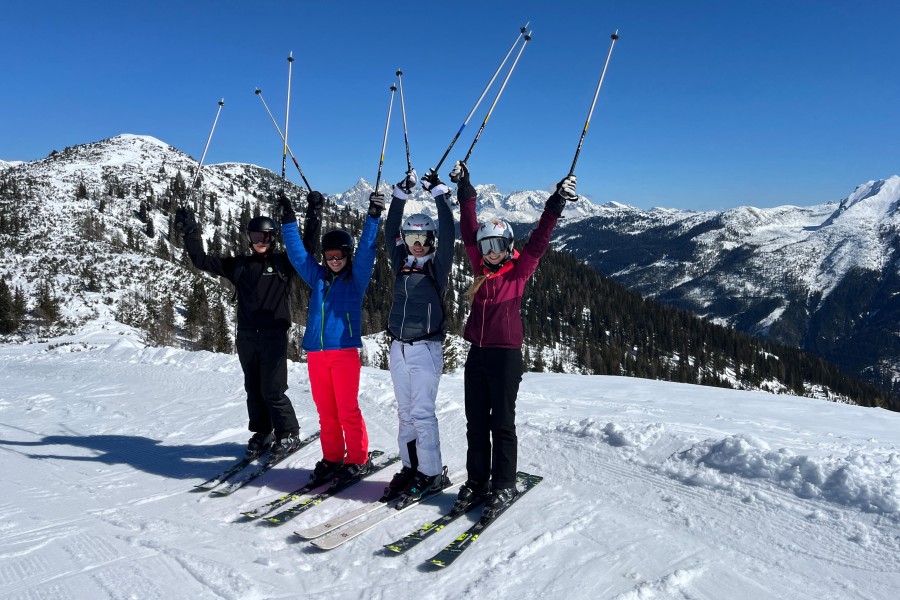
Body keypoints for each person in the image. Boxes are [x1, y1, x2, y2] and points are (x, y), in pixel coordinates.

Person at [449, 160, 577, 519]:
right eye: (486, 245)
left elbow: (539, 240)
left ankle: (503, 484)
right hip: (477, 354)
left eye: (497, 246)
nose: (490, 252)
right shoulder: (478, 267)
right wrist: (466, 188)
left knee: (501, 423)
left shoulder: (518, 271)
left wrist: (556, 203)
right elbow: (468, 225)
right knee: (476, 422)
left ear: (507, 246)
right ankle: (477, 482)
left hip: (506, 358)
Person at [175, 203, 314, 463]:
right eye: (255, 236)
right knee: (253, 388)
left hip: (274, 335)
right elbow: (200, 260)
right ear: (249, 238)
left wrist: (310, 215)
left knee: (273, 389)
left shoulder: (284, 263)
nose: (260, 241)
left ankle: (289, 433)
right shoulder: (239, 265)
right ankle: (263, 432)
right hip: (248, 336)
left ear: (273, 238)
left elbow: (307, 251)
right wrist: (190, 230)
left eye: (266, 237)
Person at [277, 189, 383, 487]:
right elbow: (298, 255)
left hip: (344, 352)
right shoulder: (318, 277)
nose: (334, 260)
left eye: (339, 256)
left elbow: (367, 252)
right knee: (326, 412)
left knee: (347, 409)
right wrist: (287, 220)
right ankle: (333, 457)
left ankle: (358, 459)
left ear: (347, 256)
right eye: (329, 256)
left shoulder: (355, 279)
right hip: (316, 353)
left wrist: (373, 217)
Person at [379, 168, 454, 506]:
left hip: (426, 348)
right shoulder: (400, 262)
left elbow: (450, 232)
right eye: (411, 239)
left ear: (432, 241)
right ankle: (411, 467)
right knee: (405, 414)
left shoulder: (437, 267)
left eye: (424, 240)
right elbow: (387, 231)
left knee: (422, 413)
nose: (418, 245)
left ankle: (432, 472)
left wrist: (439, 194)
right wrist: (400, 196)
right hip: (399, 348)